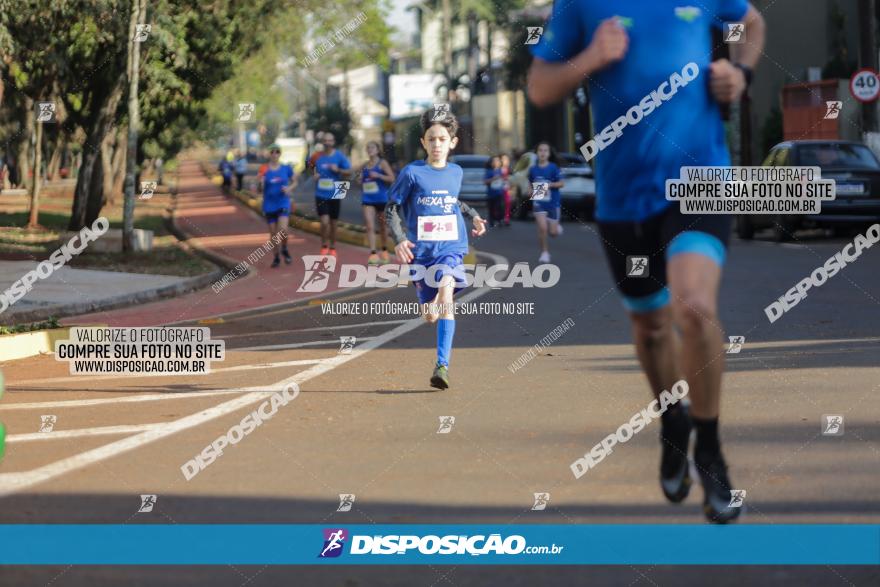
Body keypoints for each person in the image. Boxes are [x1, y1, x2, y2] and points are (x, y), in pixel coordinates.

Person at [527, 1, 765, 523]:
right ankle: (672, 422)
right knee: (650, 325)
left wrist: (739, 73)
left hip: (700, 179)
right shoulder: (577, 6)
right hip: (623, 196)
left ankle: (710, 447)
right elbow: (541, 86)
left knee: (695, 306)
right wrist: (590, 56)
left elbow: (752, 22)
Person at [386, 107, 486, 390]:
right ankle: (428, 304)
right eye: (431, 139)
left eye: (442, 139)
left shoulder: (456, 171)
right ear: (423, 143)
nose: (437, 145)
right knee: (430, 314)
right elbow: (392, 208)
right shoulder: (412, 173)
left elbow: (453, 202)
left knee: (447, 290)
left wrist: (474, 215)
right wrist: (399, 238)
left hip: (451, 248)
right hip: (422, 252)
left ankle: (442, 365)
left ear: (452, 142)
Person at [313, 132, 351, 256]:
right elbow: (314, 173)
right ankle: (324, 245)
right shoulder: (318, 158)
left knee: (334, 223)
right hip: (321, 193)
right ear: (323, 142)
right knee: (324, 222)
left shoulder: (340, 156)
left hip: (337, 191)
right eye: (325, 140)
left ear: (333, 142)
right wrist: (315, 176)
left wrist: (338, 170)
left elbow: (349, 172)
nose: (327, 143)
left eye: (330, 140)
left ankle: (333, 247)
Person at [260, 144, 297, 267]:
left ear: (280, 154)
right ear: (269, 154)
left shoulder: (286, 168)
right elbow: (259, 188)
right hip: (269, 204)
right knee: (273, 234)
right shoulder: (264, 169)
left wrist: (289, 188)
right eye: (272, 151)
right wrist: (260, 183)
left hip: (283, 202)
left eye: (277, 152)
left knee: (283, 230)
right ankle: (276, 257)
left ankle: (284, 248)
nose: (275, 154)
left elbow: (295, 181)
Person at [359, 141, 396, 265]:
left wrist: (379, 176)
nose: (370, 149)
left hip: (381, 199)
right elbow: (360, 180)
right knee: (369, 225)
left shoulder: (382, 163)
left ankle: (384, 250)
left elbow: (392, 178)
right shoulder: (364, 165)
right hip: (367, 199)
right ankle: (373, 254)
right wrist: (360, 180)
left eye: (372, 147)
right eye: (368, 147)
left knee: (383, 227)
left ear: (377, 150)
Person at [528, 142, 564, 263]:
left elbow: (561, 183)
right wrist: (529, 191)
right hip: (539, 201)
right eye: (540, 150)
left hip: (553, 202)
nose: (543, 153)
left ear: (549, 153)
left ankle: (555, 227)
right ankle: (544, 253)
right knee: (542, 228)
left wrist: (550, 185)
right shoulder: (533, 169)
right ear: (537, 153)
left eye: (545, 151)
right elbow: (529, 185)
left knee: (553, 233)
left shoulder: (553, 167)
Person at [483, 156, 505, 228]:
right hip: (491, 194)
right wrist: (493, 179)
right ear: (491, 163)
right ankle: (491, 221)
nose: (496, 163)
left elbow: (505, 180)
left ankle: (500, 220)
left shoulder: (501, 171)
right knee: (491, 208)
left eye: (497, 161)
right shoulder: (489, 171)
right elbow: (485, 181)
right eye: (494, 161)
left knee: (500, 207)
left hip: (499, 193)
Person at [500, 153, 512, 226]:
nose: (505, 161)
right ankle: (499, 218)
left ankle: (506, 219)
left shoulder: (510, 170)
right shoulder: (497, 169)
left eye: (506, 159)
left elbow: (512, 180)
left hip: (507, 189)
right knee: (499, 204)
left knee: (507, 203)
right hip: (498, 189)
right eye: (503, 159)